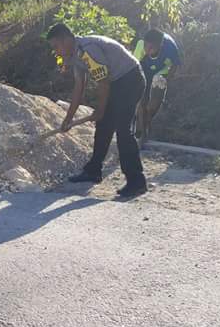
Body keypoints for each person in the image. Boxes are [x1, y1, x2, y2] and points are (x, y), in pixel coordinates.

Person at [47, 23, 147, 197]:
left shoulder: (87, 50)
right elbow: (79, 87)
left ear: (66, 40)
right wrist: (68, 119)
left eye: (56, 46)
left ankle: (137, 181)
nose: (56, 51)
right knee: (103, 126)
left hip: (130, 79)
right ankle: (93, 171)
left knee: (123, 129)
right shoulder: (74, 56)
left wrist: (100, 110)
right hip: (116, 82)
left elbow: (104, 82)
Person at [132, 29, 181, 141]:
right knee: (142, 100)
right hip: (144, 70)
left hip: (161, 73)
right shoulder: (141, 46)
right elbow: (134, 66)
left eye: (150, 48)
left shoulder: (170, 47)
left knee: (153, 106)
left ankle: (148, 122)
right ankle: (140, 131)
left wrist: (166, 80)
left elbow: (175, 65)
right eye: (145, 46)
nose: (147, 50)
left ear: (160, 45)